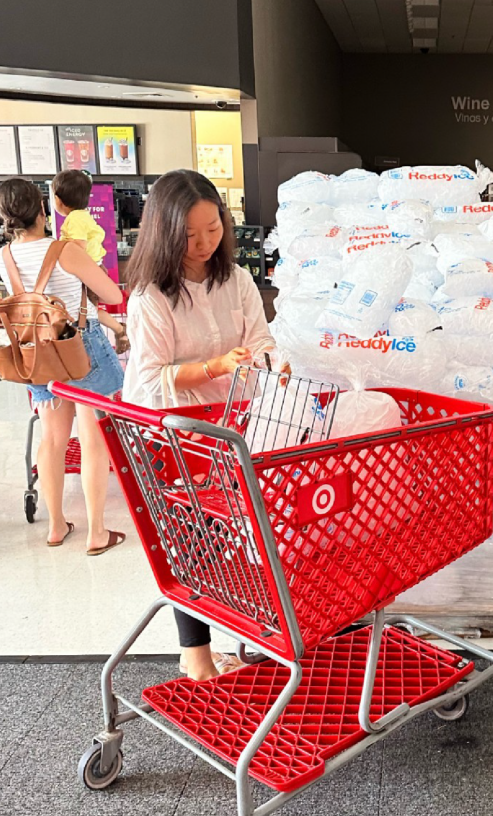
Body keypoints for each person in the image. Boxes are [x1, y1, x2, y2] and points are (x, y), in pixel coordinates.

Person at [123, 169, 283, 681]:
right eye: (190, 235)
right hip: (177, 437)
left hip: (236, 427)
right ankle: (194, 651)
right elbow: (149, 382)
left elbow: (261, 340)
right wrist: (215, 366)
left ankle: (246, 629)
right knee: (194, 536)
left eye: (213, 229)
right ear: (164, 233)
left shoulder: (234, 279)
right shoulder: (151, 297)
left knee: (241, 535)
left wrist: (266, 361)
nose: (204, 244)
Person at [0, 178, 126, 554]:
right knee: (92, 437)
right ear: (43, 210)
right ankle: (97, 532)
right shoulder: (65, 250)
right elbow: (113, 294)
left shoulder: (5, 256)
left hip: (37, 352)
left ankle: (56, 526)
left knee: (52, 438)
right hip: (79, 347)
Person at [52, 169, 130, 354]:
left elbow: (78, 247)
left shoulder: (75, 219)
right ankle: (119, 331)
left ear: (58, 199)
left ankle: (119, 330)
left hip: (88, 271)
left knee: (88, 312)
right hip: (93, 268)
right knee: (88, 310)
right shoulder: (82, 215)